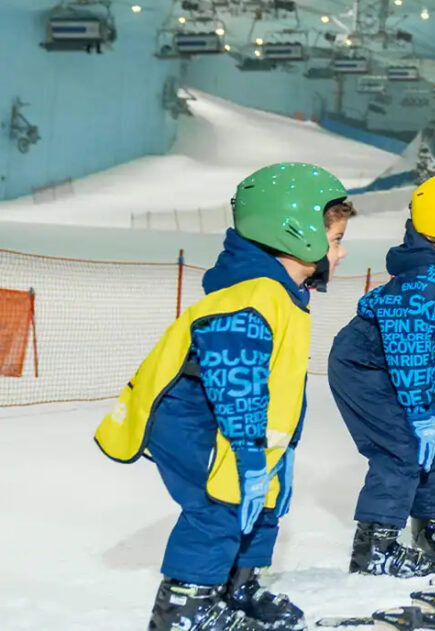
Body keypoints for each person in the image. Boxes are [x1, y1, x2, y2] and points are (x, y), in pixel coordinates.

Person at [94, 163, 354, 630]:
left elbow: (277, 380)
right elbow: (237, 381)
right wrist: (251, 454)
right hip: (196, 424)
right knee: (218, 509)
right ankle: (186, 608)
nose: (342, 252)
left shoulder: (283, 293)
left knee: (265, 505)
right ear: (297, 235)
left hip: (243, 429)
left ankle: (236, 587)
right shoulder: (250, 298)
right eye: (335, 240)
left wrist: (280, 447)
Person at [328, 172, 435, 577]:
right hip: (364, 367)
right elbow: (409, 352)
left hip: (403, 370)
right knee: (400, 448)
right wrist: (417, 411)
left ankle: (429, 527)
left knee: (433, 442)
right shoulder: (424, 284)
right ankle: (375, 546)